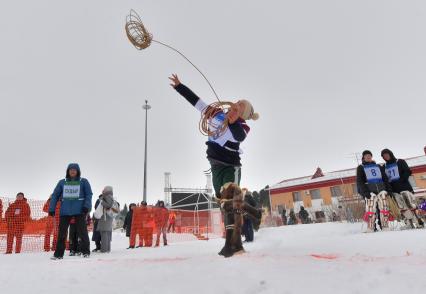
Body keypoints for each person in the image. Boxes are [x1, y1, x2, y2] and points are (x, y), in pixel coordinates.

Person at [169, 74, 260, 257]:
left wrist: (233, 122)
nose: (235, 106)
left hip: (230, 166)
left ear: (242, 114)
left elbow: (239, 137)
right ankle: (252, 212)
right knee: (223, 202)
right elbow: (197, 102)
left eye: (240, 107)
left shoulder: (242, 126)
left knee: (229, 202)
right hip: (216, 166)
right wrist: (180, 86)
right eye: (237, 102)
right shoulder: (216, 114)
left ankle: (233, 244)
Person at [49, 163, 93, 260]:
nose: (72, 171)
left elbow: (89, 194)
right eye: (71, 169)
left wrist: (87, 206)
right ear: (68, 171)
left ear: (78, 171)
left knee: (83, 232)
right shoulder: (62, 182)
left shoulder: (83, 181)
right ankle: (58, 254)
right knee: (62, 233)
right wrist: (51, 208)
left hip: (79, 210)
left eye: (74, 170)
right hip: (65, 211)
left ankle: (86, 252)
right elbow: (55, 195)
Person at [381, 149, 424, 228]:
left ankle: (419, 221)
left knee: (411, 205)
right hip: (394, 190)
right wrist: (389, 189)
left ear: (390, 154)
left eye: (387, 154)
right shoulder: (384, 166)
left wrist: (402, 180)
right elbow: (385, 179)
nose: (386, 156)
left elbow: (407, 171)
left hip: (405, 187)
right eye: (384, 156)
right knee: (402, 207)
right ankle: (410, 223)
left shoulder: (400, 162)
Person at [356, 150, 392, 232]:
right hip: (370, 192)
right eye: (366, 155)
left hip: (381, 190)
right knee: (370, 210)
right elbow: (360, 181)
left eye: (369, 155)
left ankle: (385, 227)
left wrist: (388, 190)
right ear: (363, 157)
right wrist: (365, 192)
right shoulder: (361, 167)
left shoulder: (378, 166)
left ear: (371, 157)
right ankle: (371, 227)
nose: (368, 156)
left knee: (384, 209)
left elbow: (385, 179)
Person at [96, 186, 118, 253]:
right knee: (107, 234)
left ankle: (104, 249)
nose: (102, 190)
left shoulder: (107, 196)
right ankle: (107, 249)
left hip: (105, 218)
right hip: (108, 217)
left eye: (104, 189)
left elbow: (108, 205)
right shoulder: (111, 197)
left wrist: (102, 202)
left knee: (104, 233)